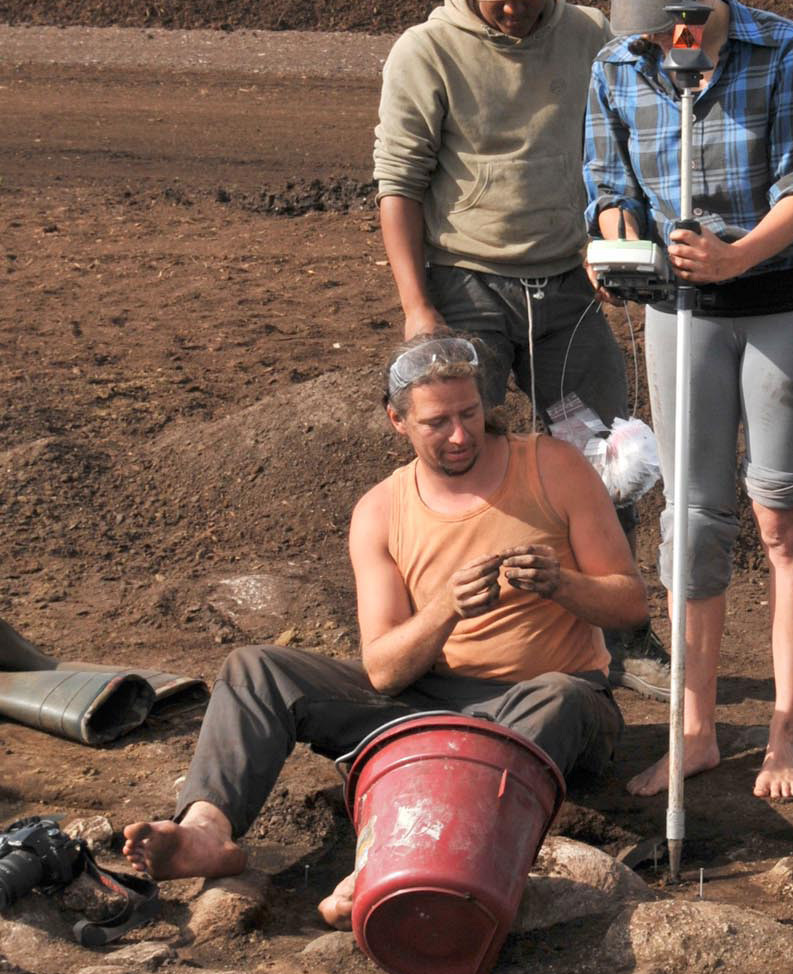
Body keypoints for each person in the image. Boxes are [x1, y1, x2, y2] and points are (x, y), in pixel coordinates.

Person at [124, 334, 644, 925]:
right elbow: (385, 671)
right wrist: (445, 608)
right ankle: (205, 832)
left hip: (554, 703)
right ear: (397, 420)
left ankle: (399, 856)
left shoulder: (552, 466)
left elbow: (631, 606)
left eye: (470, 413)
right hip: (432, 701)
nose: (459, 434)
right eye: (437, 422)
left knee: (561, 696)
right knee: (256, 669)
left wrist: (562, 586)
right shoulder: (380, 510)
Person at [372, 0, 662, 690]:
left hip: (569, 282)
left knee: (612, 455)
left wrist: (615, 243)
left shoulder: (590, 39)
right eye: (499, 2)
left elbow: (625, 147)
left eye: (527, 3)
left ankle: (622, 633)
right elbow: (397, 184)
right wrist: (417, 307)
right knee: (467, 456)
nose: (512, 16)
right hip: (466, 284)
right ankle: (459, 635)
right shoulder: (424, 52)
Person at [584, 0, 793, 802]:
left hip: (783, 301)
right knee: (690, 521)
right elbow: (610, 183)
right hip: (679, 307)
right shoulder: (617, 64)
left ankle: (785, 728)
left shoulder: (787, 52)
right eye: (645, 25)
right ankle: (694, 729)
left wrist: (734, 257)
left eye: (677, 20)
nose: (661, 41)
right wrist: (616, 243)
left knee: (780, 518)